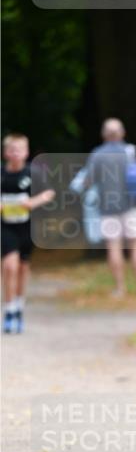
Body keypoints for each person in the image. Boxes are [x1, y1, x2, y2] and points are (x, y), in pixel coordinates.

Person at [85, 118, 136, 300]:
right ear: (122, 133)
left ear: (104, 135)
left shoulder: (97, 155)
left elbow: (88, 181)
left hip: (107, 207)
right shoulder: (131, 151)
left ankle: (120, 289)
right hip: (131, 205)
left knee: (114, 246)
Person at [1, 133, 55, 333]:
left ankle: (18, 306)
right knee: (9, 266)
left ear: (26, 152)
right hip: (5, 227)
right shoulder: (2, 174)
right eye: (12, 149)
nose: (15, 153)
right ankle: (8, 310)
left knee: (22, 268)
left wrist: (32, 202)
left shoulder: (32, 173)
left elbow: (49, 193)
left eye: (19, 149)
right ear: (6, 152)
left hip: (26, 227)